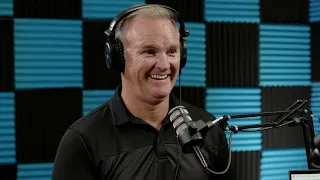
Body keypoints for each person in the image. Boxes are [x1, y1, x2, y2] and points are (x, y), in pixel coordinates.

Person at [52, 4, 233, 180]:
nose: (163, 65)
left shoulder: (208, 130)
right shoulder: (83, 140)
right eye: (149, 51)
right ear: (117, 58)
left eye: (171, 51)